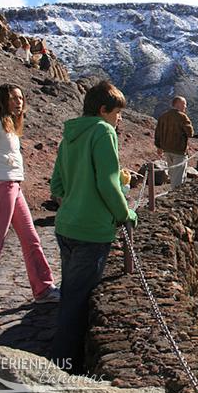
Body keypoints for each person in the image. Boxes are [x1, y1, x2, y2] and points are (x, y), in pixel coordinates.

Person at [49, 80, 137, 373]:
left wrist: (75, 200)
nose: (120, 119)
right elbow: (107, 182)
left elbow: (57, 184)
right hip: (92, 231)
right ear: (103, 110)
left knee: (69, 294)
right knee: (77, 303)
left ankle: (61, 360)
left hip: (66, 227)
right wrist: (125, 214)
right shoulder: (103, 131)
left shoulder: (69, 135)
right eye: (117, 113)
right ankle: (64, 368)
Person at [0, 84, 59, 313]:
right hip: (1, 187)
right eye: (13, 98)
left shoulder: (7, 123)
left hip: (13, 187)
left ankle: (43, 288)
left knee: (30, 237)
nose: (19, 102)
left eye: (21, 97)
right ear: (2, 100)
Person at [154, 96, 194, 188]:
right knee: (179, 177)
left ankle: (177, 193)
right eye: (184, 104)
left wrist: (159, 147)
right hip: (179, 151)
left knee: (173, 174)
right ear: (178, 104)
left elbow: (157, 133)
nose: (185, 106)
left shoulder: (163, 116)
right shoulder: (182, 116)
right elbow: (190, 133)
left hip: (167, 150)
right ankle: (175, 198)